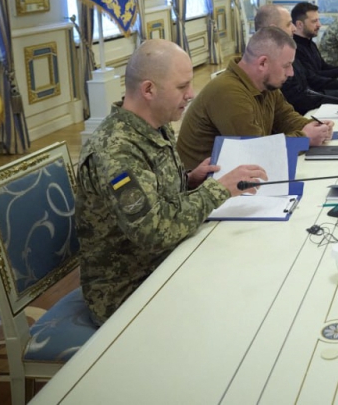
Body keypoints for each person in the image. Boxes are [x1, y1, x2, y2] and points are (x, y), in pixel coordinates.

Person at [74, 40, 267, 324]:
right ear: (148, 90)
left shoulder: (155, 124)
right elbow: (154, 231)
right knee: (239, 304)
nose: (191, 94)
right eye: (182, 86)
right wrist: (217, 190)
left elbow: (156, 194)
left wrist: (189, 180)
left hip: (168, 261)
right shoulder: (116, 151)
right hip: (129, 290)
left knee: (250, 266)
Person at [176, 27, 333, 171]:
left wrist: (314, 127)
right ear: (263, 63)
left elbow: (285, 117)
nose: (291, 72)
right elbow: (256, 152)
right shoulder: (229, 92)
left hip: (236, 176)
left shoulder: (265, 84)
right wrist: (304, 138)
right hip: (205, 185)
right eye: (286, 65)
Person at [281, 1, 338, 114]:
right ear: (300, 24)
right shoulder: (294, 50)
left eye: (318, 20)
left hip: (314, 102)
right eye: (314, 21)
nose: (319, 25)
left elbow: (320, 70)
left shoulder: (310, 43)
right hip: (309, 107)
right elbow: (308, 87)